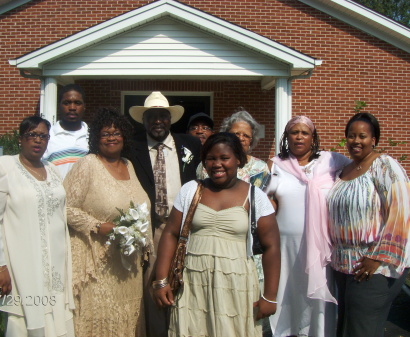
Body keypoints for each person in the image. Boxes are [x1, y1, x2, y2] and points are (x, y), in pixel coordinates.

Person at [153, 132, 280, 337]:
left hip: (236, 284)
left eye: (224, 158)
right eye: (211, 158)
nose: (217, 164)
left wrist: (270, 296)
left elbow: (272, 246)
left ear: (238, 160)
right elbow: (170, 233)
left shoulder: (255, 197)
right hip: (193, 283)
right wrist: (161, 280)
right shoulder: (191, 190)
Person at [0, 116, 75, 337]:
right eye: (32, 135)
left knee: (57, 311)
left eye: (43, 136)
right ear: (20, 139)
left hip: (56, 262)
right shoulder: (3, 167)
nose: (38, 140)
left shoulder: (52, 170)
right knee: (24, 315)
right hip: (22, 262)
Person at [63, 108, 152, 337]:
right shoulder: (88, 164)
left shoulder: (129, 165)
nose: (111, 137)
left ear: (124, 136)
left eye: (116, 132)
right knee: (102, 319)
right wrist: (97, 226)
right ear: (95, 138)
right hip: (97, 262)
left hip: (128, 265)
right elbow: (65, 208)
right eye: (105, 134)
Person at [265, 116, 351, 337]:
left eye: (305, 132)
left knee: (316, 295)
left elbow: (357, 173)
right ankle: (287, 332)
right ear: (287, 137)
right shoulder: (276, 164)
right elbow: (263, 198)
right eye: (294, 132)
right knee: (289, 292)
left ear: (313, 137)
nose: (299, 136)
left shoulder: (332, 161)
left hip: (322, 247)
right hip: (285, 245)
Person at [327, 112, 410, 337]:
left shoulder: (384, 166)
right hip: (344, 265)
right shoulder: (345, 170)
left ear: (374, 139)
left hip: (373, 266)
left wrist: (377, 257)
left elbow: (401, 212)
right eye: (351, 136)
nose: (356, 141)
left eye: (362, 136)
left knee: (362, 329)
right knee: (347, 327)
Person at [129, 91, 201, 337]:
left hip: (185, 228)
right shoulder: (133, 147)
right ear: (144, 120)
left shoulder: (190, 145)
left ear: (170, 119)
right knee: (154, 288)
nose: (157, 121)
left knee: (187, 284)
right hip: (153, 229)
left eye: (163, 116)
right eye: (152, 116)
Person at [197, 108, 269, 188]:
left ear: (251, 141)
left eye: (246, 135)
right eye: (236, 134)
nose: (240, 138)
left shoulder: (261, 168)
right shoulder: (208, 164)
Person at [43, 84, 89, 179]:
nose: (72, 107)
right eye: (67, 103)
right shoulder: (47, 136)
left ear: (84, 107)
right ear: (59, 105)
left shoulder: (93, 136)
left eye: (77, 103)